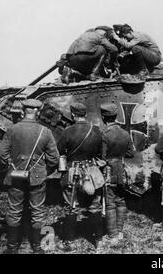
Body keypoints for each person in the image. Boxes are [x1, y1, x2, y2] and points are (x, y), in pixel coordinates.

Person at [0, 99, 59, 254]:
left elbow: (2, 154)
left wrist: (12, 166)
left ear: (23, 111)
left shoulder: (12, 130)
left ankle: (12, 248)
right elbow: (54, 159)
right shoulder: (45, 131)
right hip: (37, 177)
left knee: (14, 210)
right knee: (38, 211)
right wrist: (43, 171)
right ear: (38, 112)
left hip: (16, 175)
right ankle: (38, 248)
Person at [57, 102, 104, 251]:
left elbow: (60, 151)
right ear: (86, 114)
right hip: (92, 172)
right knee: (95, 206)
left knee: (71, 206)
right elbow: (100, 154)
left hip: (72, 172)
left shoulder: (67, 131)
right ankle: (98, 240)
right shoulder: (96, 131)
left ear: (72, 114)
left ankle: (69, 241)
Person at [100, 103, 135, 243]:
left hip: (109, 169)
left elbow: (102, 157)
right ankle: (119, 232)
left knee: (110, 202)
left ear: (103, 117)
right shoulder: (125, 133)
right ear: (115, 116)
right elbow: (130, 153)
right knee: (121, 200)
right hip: (121, 168)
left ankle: (112, 235)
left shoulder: (104, 134)